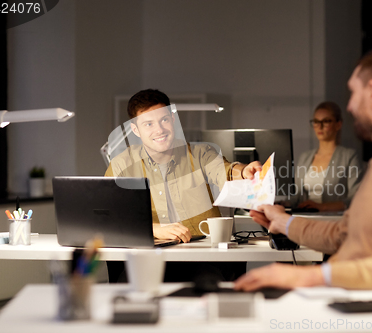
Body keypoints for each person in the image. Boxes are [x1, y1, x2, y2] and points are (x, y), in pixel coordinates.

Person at [234, 45, 372, 290]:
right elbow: (344, 235)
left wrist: (311, 277)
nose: (350, 106)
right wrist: (282, 222)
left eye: (353, 93)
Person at [105, 89, 261, 282]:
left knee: (206, 284)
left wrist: (244, 171)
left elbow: (226, 170)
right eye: (148, 124)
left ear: (172, 119)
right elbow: (108, 216)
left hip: (201, 259)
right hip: (148, 259)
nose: (159, 130)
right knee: (129, 287)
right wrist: (151, 229)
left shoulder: (201, 153)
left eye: (164, 120)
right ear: (136, 130)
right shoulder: (122, 164)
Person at [293, 101, 364, 212]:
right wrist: (281, 203)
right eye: (316, 121)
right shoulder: (305, 157)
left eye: (326, 121)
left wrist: (322, 207)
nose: (320, 127)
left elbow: (355, 197)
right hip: (306, 219)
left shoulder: (348, 156)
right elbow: (296, 197)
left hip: (334, 221)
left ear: (338, 124)